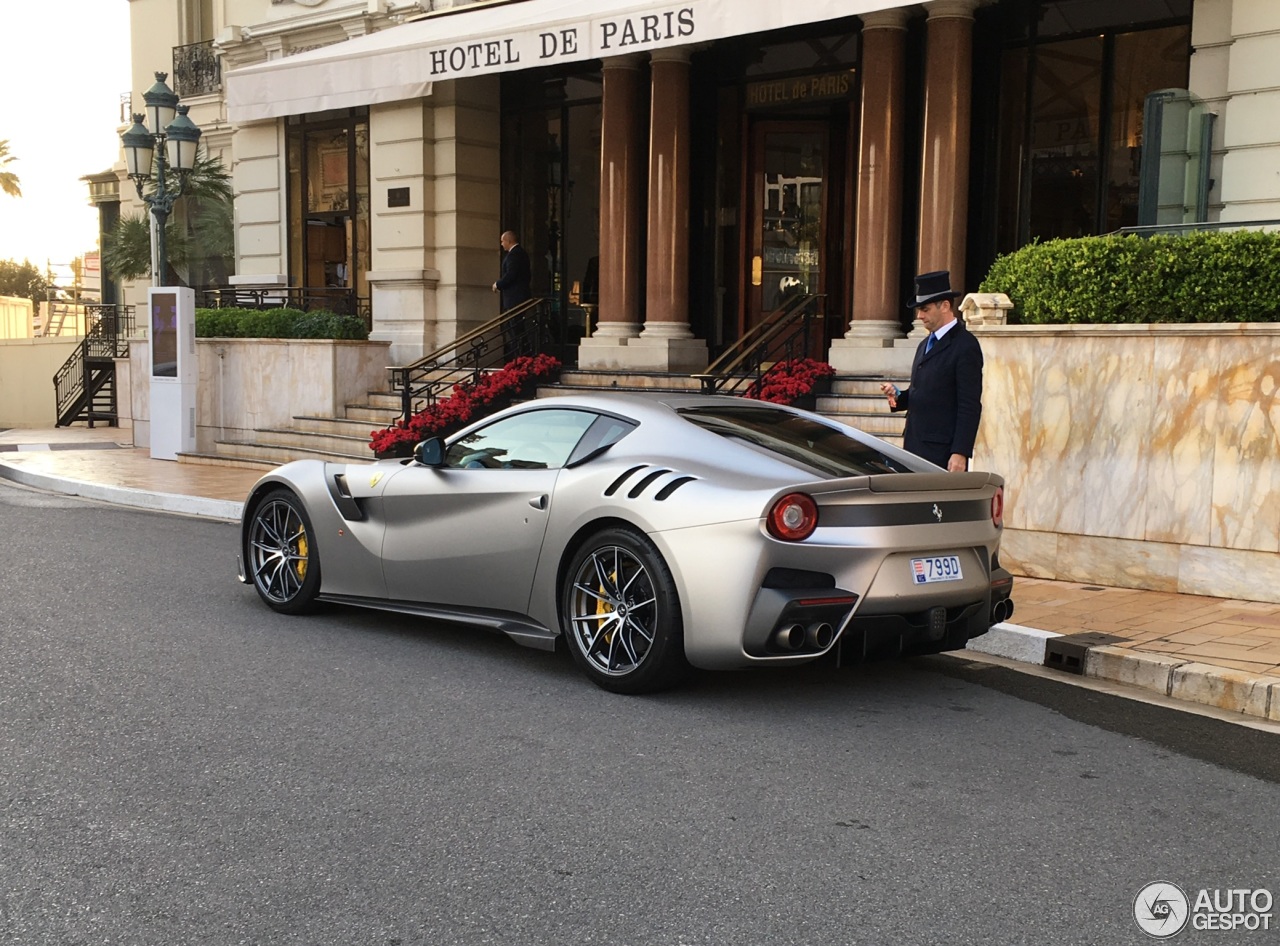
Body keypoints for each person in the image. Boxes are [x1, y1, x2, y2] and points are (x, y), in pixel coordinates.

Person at [880, 270, 983, 472]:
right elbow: (924, 392)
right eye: (919, 310)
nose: (920, 316)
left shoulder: (965, 345)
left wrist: (960, 453)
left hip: (942, 454)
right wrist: (898, 396)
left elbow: (969, 405)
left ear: (944, 305)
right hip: (914, 448)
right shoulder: (925, 344)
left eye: (925, 309)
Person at [492, 230, 532, 311]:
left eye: (502, 241)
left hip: (515, 298)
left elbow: (511, 274)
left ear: (509, 241)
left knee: (515, 322)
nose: (501, 244)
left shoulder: (514, 254)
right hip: (519, 297)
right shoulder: (521, 252)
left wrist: (498, 284)